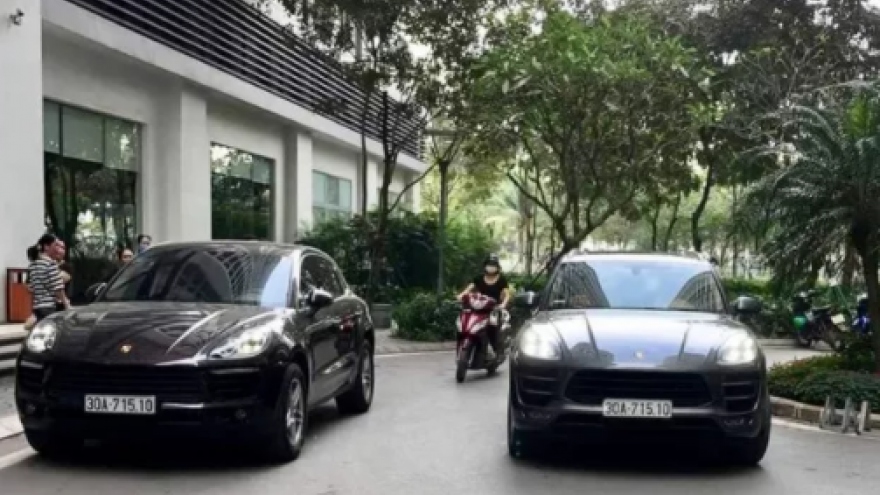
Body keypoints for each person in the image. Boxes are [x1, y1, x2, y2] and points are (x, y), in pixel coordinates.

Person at [457, 254, 511, 358]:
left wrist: (503, 304)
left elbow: (507, 294)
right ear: (485, 266)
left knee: (492, 325)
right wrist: (461, 295)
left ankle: (495, 349)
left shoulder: (501, 280)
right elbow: (469, 289)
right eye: (489, 264)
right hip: (478, 307)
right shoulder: (479, 278)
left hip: (493, 309)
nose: (491, 267)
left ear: (497, 267)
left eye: (493, 265)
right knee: (465, 321)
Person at [28, 234, 70, 323]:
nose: (57, 249)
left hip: (37, 307)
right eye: (55, 245)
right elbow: (58, 288)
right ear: (46, 247)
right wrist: (66, 304)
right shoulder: (50, 263)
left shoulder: (33, 264)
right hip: (49, 307)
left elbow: (31, 287)